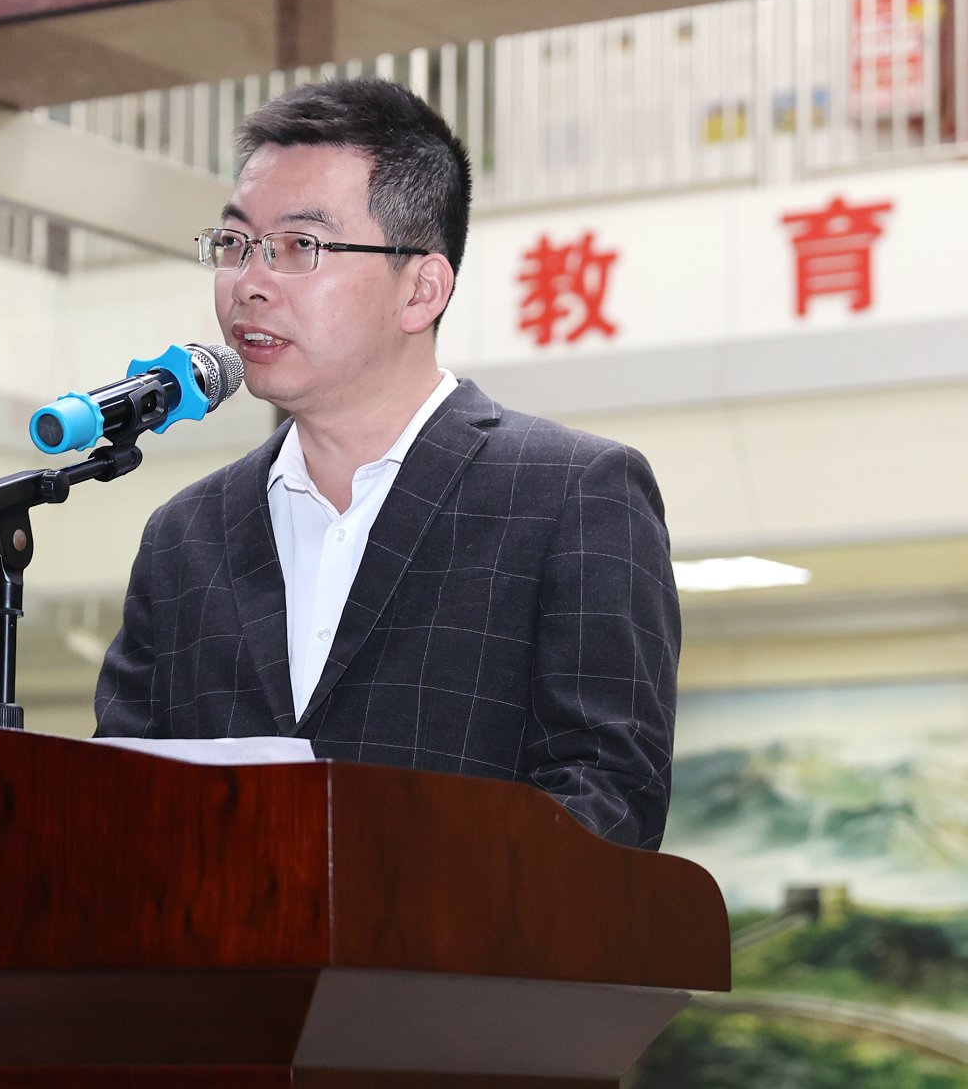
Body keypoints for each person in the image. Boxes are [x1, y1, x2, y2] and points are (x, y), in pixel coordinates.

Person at [94, 77, 679, 850]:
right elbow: (121, 806)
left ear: (421, 289)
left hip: (462, 934)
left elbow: (608, 802)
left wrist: (393, 893)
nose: (249, 284)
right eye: (234, 244)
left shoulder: (573, 495)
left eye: (299, 247)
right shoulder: (185, 535)